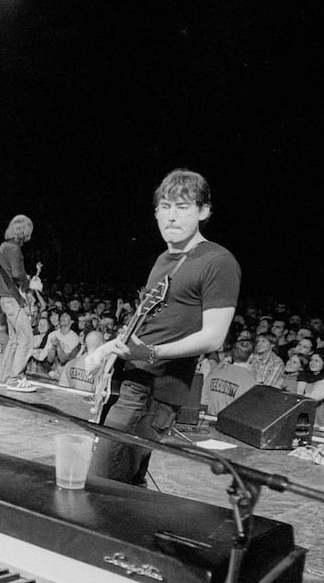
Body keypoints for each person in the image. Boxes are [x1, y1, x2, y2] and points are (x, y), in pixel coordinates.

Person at [86, 169, 239, 486]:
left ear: (204, 211)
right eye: (165, 207)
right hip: (131, 381)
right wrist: (105, 350)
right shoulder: (164, 259)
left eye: (183, 207)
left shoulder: (217, 261)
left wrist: (152, 352)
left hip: (153, 391)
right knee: (123, 484)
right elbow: (147, 322)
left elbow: (214, 336)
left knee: (102, 484)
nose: (172, 216)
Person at [0, 214, 38, 392]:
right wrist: (30, 282)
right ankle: (15, 378)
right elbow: (18, 274)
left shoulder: (3, 246)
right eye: (28, 232)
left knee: (14, 339)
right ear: (23, 231)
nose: (30, 236)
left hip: (5, 298)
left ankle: (3, 377)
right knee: (26, 338)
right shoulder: (13, 248)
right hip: (12, 298)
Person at [203, 338, 257, 415]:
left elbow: (203, 402)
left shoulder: (215, 374)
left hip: (208, 423)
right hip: (231, 425)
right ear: (252, 357)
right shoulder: (252, 384)